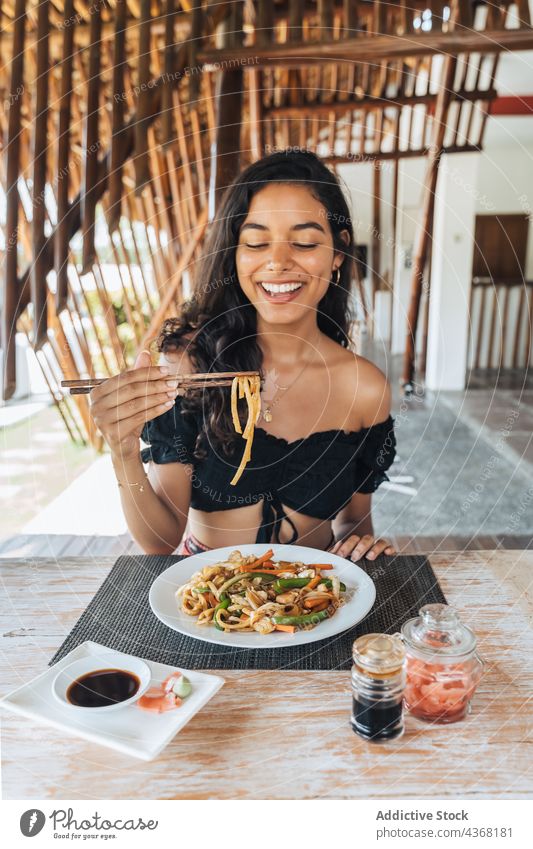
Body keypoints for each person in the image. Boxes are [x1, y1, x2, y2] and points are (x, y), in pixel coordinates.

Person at [89, 150, 397, 563]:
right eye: (256, 242)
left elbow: (353, 524)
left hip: (316, 596)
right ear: (235, 255)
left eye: (304, 242)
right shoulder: (191, 366)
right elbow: (160, 540)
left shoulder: (365, 388)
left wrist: (362, 545)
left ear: (338, 253)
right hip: (210, 597)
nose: (278, 262)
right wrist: (123, 450)